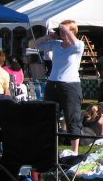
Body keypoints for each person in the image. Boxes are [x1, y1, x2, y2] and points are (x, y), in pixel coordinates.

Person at [35, 20, 85, 154]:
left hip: (70, 86)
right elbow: (35, 45)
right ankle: (49, 150)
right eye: (61, 31)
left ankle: (74, 151)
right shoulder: (56, 44)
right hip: (53, 84)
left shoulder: (78, 45)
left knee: (72, 118)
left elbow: (75, 42)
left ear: (72, 31)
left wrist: (66, 29)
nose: (62, 33)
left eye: (65, 30)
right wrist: (48, 37)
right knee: (49, 117)